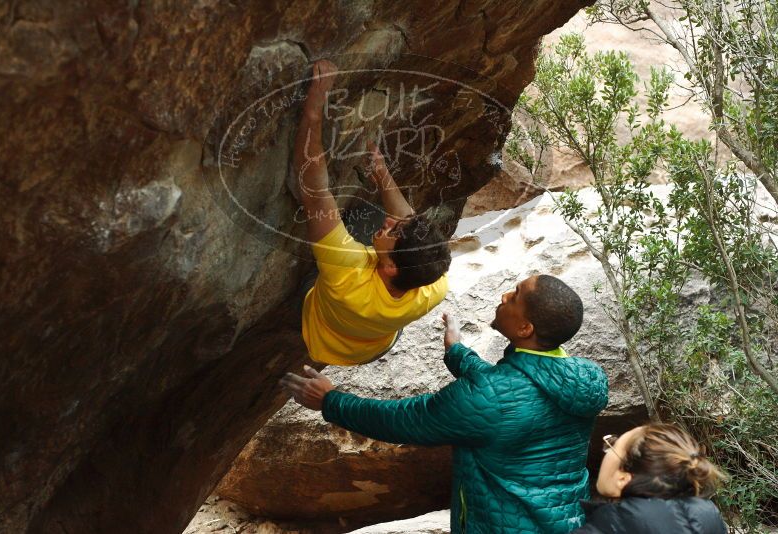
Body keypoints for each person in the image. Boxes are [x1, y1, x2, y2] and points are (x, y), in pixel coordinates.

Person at [281, 274, 609, 533]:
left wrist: (331, 401)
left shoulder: (489, 396)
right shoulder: (583, 378)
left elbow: (405, 419)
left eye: (515, 296)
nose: (504, 297)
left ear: (525, 328)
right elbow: (515, 387)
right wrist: (458, 353)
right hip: (566, 522)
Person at [293, 59, 451, 366]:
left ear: (390, 266)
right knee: (375, 218)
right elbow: (408, 222)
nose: (390, 222)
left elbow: (314, 191)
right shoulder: (434, 285)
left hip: (323, 334)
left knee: (351, 220)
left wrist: (314, 108)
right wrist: (380, 171)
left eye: (393, 231)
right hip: (374, 344)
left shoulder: (347, 274)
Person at [571, 423, 727, 534]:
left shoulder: (607, 527)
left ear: (623, 478)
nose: (606, 449)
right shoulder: (709, 517)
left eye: (612, 445)